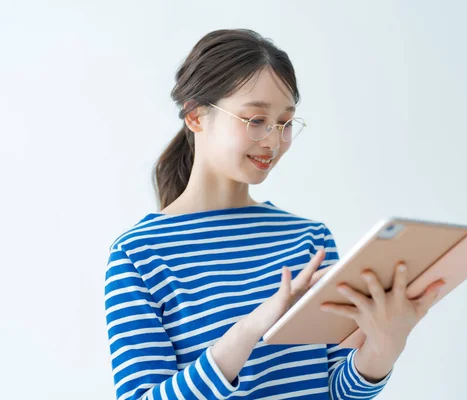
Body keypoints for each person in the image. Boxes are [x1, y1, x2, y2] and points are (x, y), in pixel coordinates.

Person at [104, 28, 444, 400]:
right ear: (195, 115)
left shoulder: (309, 241)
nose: (273, 140)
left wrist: (384, 349)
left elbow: (334, 390)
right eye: (255, 120)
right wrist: (249, 331)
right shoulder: (139, 255)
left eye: (285, 123)